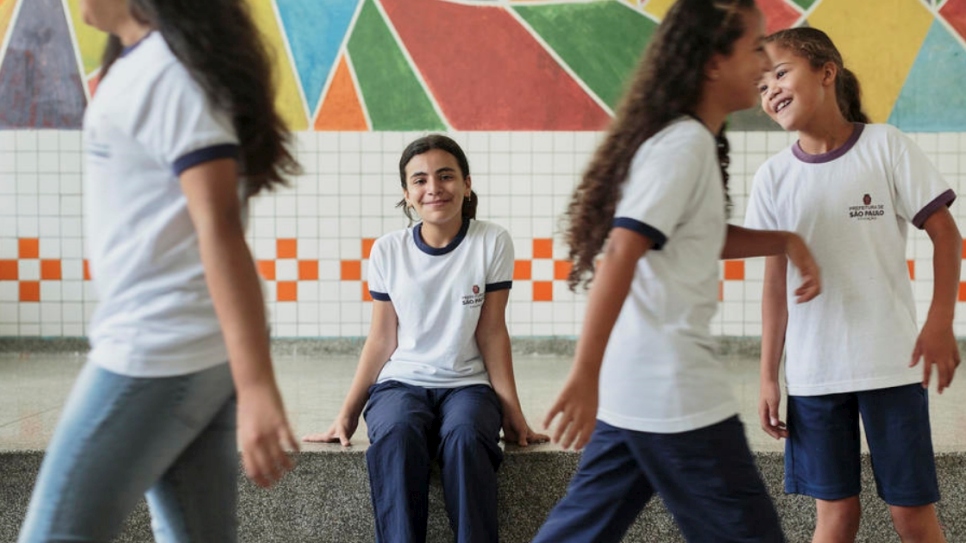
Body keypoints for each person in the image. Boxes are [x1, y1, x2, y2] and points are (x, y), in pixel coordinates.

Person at [530, 1, 824, 542]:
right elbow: (622, 251)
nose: (764, 61)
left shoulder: (691, 140)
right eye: (754, 46)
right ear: (712, 62)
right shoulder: (683, 145)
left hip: (636, 390)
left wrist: (784, 239)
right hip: (674, 393)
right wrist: (583, 373)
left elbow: (697, 237)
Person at [18, 0, 300, 541]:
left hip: (157, 350)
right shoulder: (142, 63)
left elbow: (218, 226)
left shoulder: (170, 74)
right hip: (183, 345)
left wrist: (258, 385)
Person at [748, 27, 961, 543]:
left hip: (892, 366)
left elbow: (947, 237)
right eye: (760, 85)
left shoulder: (885, 146)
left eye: (780, 72)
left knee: (912, 515)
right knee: (835, 518)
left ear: (827, 72)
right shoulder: (772, 178)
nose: (770, 89)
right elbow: (774, 284)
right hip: (815, 375)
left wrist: (939, 323)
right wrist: (769, 375)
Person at [303, 134, 546, 543]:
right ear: (407, 194)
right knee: (397, 435)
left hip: (467, 386)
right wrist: (347, 413)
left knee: (467, 438)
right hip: (400, 385)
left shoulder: (492, 241)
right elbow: (381, 338)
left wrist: (512, 412)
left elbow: (491, 331)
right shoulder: (387, 250)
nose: (433, 188)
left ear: (467, 184)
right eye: (419, 180)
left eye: (446, 176)